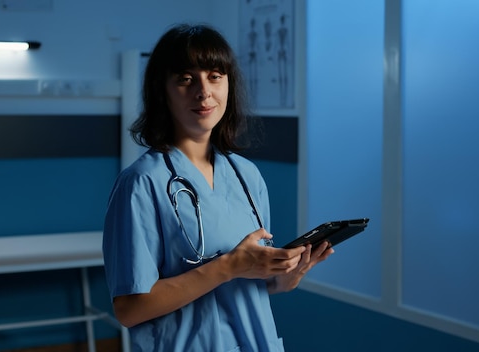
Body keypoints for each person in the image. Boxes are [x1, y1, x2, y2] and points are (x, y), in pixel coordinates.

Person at [103, 23, 334, 351]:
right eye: (186, 79)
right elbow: (129, 309)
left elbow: (254, 282)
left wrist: (286, 275)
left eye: (215, 75)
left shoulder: (246, 175)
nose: (203, 91)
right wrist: (227, 266)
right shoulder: (142, 183)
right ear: (162, 91)